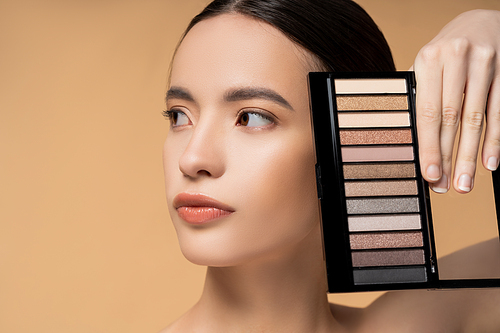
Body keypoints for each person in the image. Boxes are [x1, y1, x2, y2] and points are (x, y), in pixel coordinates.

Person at [161, 0, 500, 331]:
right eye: (180, 115)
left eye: (251, 117)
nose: (191, 159)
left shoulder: (419, 321)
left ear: (357, 142)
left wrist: (489, 25)